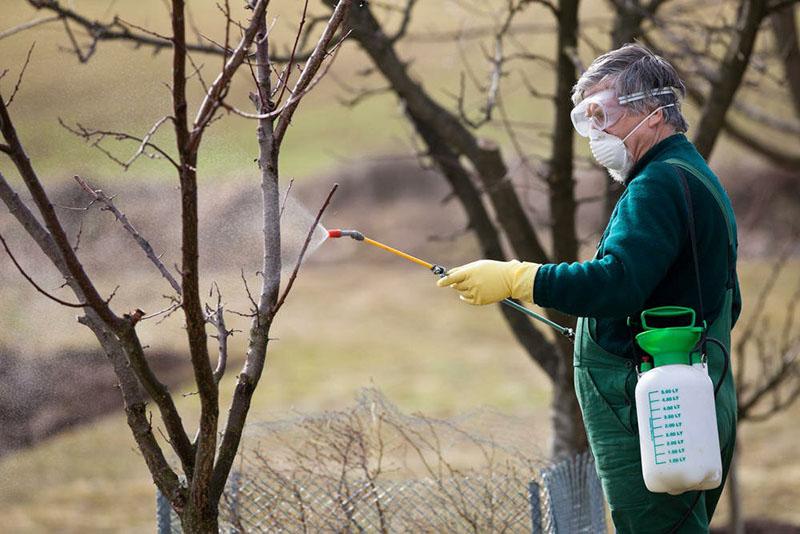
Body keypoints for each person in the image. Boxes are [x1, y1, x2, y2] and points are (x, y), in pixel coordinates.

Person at [437, 43, 740, 533]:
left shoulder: (658, 185)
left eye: (605, 114)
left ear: (654, 112)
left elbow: (616, 283)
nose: (596, 133)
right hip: (686, 397)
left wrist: (520, 278)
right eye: (587, 117)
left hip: (656, 410)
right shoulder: (688, 175)